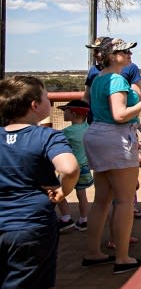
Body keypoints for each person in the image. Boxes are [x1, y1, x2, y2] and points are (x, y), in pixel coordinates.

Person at [81, 38, 141, 274]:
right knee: (124, 200)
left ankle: (93, 252)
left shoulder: (98, 79)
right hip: (116, 138)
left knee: (101, 199)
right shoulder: (116, 80)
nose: (130, 54)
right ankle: (122, 258)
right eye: (125, 51)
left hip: (98, 136)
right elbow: (120, 114)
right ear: (113, 55)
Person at [0, 76, 79, 289]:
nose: (49, 101)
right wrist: (64, 190)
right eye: (46, 97)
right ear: (35, 106)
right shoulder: (47, 136)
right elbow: (69, 168)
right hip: (30, 226)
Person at [55, 100, 93, 233]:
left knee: (58, 191)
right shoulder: (88, 128)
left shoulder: (66, 132)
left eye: (66, 110)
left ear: (74, 113)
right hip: (84, 167)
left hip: (70, 167)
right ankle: (84, 220)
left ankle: (66, 218)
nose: (63, 113)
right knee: (81, 193)